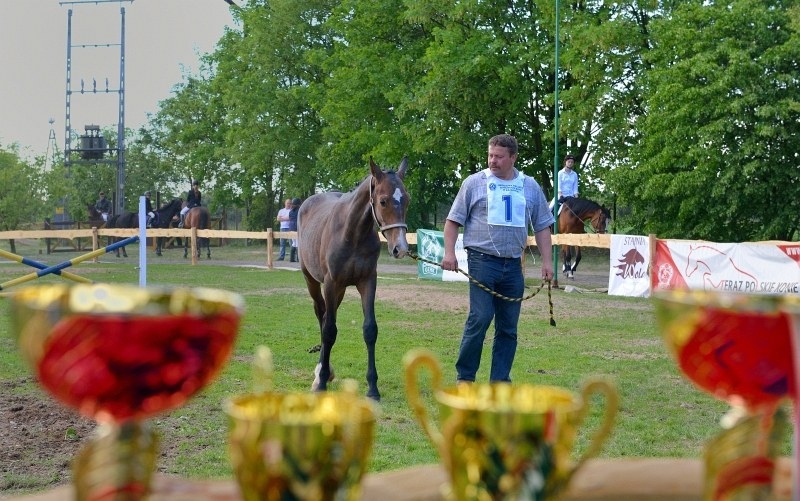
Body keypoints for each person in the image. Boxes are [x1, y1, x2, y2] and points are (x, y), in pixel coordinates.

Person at [441, 134, 554, 384]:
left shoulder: (530, 186)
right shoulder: (474, 183)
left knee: (508, 327)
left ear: (513, 158)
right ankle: (465, 377)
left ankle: (500, 381)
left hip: (513, 265)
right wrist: (449, 253)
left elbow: (542, 226)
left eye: (499, 157)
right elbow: (452, 221)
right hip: (482, 261)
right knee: (480, 318)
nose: (493, 160)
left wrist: (547, 262)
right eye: (490, 155)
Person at [287, 197, 301, 262]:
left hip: (291, 228)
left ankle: (291, 259)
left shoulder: (291, 211)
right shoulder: (299, 211)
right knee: (297, 243)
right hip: (296, 228)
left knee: (294, 243)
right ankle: (298, 259)